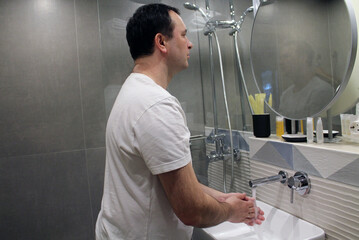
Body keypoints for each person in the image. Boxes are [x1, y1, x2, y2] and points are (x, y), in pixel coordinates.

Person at [95, 4, 264, 240]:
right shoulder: (156, 105)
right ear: (161, 42)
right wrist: (231, 211)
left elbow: (166, 179)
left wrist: (220, 197)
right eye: (183, 35)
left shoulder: (132, 92)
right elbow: (191, 211)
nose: (190, 43)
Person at [278, 41, 334, 119]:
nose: (281, 62)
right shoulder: (285, 96)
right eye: (280, 58)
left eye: (286, 56)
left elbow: (318, 129)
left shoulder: (321, 91)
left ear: (304, 58)